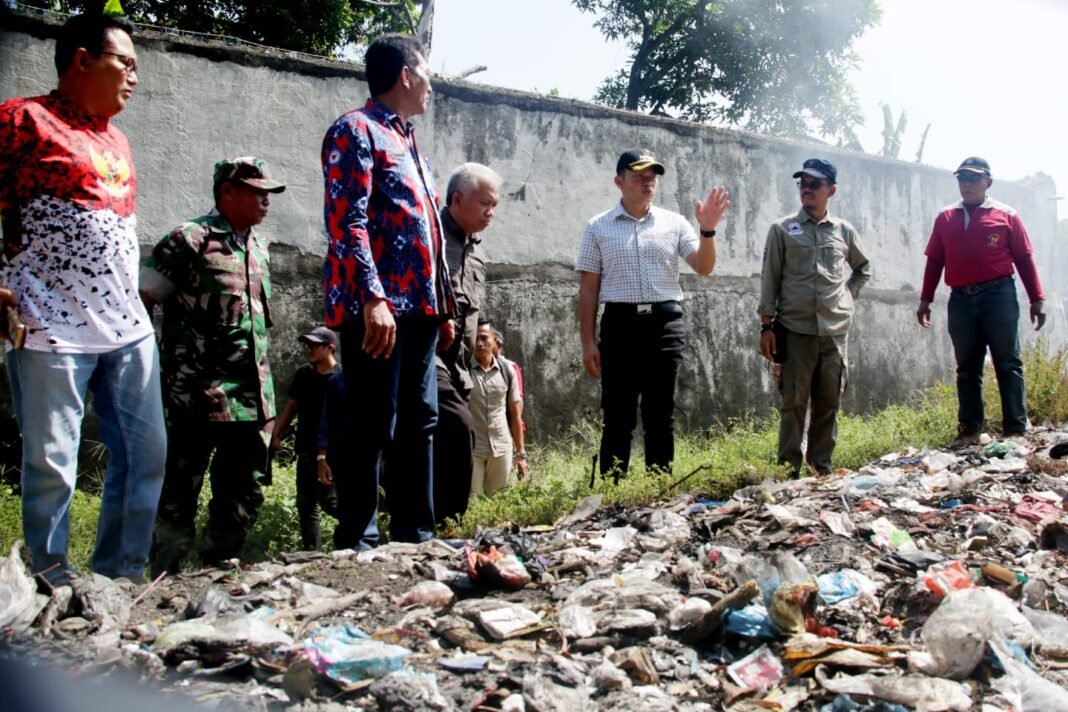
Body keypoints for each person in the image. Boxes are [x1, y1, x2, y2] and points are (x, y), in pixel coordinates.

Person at [0, 12, 166, 586]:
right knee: (52, 466)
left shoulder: (115, 138)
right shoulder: (22, 121)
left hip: (126, 326)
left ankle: (120, 577)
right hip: (48, 324)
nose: (134, 78)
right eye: (126, 62)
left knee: (145, 457)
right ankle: (50, 580)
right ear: (82, 60)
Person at [322, 34, 455, 549]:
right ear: (405, 75)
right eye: (427, 74)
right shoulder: (354, 131)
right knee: (372, 421)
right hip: (378, 309)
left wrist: (441, 305)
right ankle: (358, 537)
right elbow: (346, 221)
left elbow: (425, 230)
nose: (430, 85)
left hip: (420, 309)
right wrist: (373, 297)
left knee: (421, 419)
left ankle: (415, 533)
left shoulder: (406, 139)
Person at [142, 157, 285, 573]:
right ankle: (163, 580)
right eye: (257, 191)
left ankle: (219, 571)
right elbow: (141, 304)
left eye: (268, 193)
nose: (266, 201)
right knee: (176, 494)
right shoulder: (189, 240)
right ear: (227, 192)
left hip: (250, 399)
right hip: (196, 397)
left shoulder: (257, 248)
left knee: (243, 493)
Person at [576, 148, 730, 481]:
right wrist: (588, 342)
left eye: (652, 177)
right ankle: (612, 490)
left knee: (660, 413)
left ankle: (659, 488)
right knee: (618, 415)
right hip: (619, 326)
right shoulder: (597, 227)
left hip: (665, 324)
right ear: (620, 181)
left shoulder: (674, 223)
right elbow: (588, 289)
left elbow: (703, 267)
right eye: (639, 176)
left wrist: (708, 230)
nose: (648, 183)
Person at [916, 157, 1046, 446]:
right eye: (962, 178)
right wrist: (925, 299)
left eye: (973, 179)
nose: (967, 184)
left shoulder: (1006, 215)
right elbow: (935, 261)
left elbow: (1024, 259)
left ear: (988, 182)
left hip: (998, 295)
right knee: (967, 366)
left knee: (1007, 361)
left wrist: (1037, 298)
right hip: (961, 298)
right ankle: (970, 430)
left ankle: (1015, 429)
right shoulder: (946, 217)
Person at [759, 158, 870, 476]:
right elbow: (770, 279)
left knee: (829, 402)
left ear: (831, 190)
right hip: (796, 330)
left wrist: (847, 297)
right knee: (793, 403)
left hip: (834, 331)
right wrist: (766, 326)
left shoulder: (843, 231)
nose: (807, 189)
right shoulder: (782, 230)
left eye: (815, 184)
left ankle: (821, 466)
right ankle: (788, 470)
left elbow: (863, 269)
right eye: (802, 183)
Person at [433, 162, 501, 524]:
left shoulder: (476, 250)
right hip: (427, 358)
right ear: (457, 200)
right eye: (484, 204)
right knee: (459, 428)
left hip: (459, 368)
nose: (491, 213)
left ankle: (436, 520)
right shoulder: (430, 237)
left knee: (444, 441)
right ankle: (450, 519)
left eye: (495, 206)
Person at [272, 327, 342, 550]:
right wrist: (277, 434)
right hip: (305, 449)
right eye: (308, 345)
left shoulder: (340, 377)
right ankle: (313, 552)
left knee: (331, 502)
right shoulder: (304, 374)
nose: (309, 349)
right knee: (306, 504)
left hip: (331, 452)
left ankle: (360, 534)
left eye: (315, 345)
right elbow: (292, 406)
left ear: (330, 348)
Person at [469, 320, 528, 495]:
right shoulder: (463, 370)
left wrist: (521, 454)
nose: (479, 343)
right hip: (473, 449)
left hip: (501, 447)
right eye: (475, 338)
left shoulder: (507, 371)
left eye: (484, 338)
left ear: (495, 340)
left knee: (497, 500)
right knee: (473, 502)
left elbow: (515, 415)